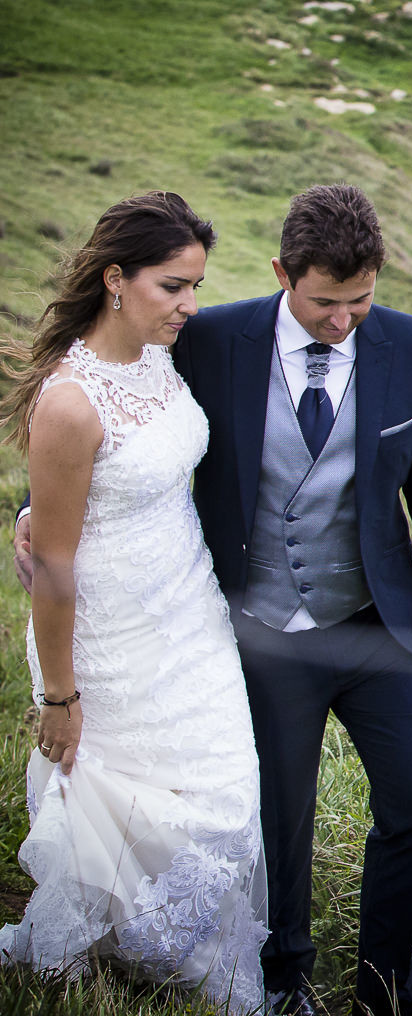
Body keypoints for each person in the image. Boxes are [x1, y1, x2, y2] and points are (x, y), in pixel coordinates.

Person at [15, 184, 412, 1016]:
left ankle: (386, 986)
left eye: (362, 301)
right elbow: (115, 432)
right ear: (282, 275)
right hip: (256, 628)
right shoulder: (213, 337)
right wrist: (35, 517)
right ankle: (286, 979)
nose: (346, 321)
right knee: (277, 817)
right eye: (325, 303)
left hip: (377, 625)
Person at [0, 191, 268, 1013]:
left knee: (223, 784)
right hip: (111, 634)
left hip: (190, 612)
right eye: (172, 286)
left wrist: (27, 512)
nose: (190, 305)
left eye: (195, 286)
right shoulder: (71, 401)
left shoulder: (159, 356)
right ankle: (116, 953)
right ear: (115, 279)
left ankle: (186, 954)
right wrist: (60, 693)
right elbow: (54, 565)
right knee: (124, 790)